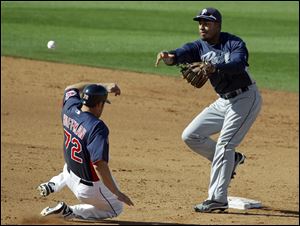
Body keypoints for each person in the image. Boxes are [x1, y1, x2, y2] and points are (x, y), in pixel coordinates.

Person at [155, 7, 262, 212]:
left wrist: (215, 68)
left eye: (207, 23)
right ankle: (233, 160)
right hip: (223, 101)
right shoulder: (199, 46)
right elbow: (180, 53)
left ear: (218, 25)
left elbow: (239, 64)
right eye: (200, 23)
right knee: (191, 135)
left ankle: (217, 200)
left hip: (245, 98)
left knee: (225, 145)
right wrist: (170, 56)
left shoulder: (234, 43)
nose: (202, 27)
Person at [37, 82, 134, 220]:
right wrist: (117, 193)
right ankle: (69, 211)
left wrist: (104, 85)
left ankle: (54, 184)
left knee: (78, 158)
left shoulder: (69, 108)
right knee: (116, 208)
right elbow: (99, 165)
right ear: (99, 105)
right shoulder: (97, 127)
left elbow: (70, 88)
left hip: (69, 173)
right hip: (87, 190)